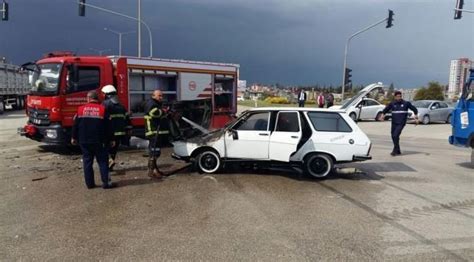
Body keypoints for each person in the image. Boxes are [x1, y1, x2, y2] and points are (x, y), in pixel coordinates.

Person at [71, 91, 116, 189]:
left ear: (88, 98)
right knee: (103, 162)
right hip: (99, 141)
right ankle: (106, 183)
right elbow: (109, 126)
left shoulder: (80, 109)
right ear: (97, 98)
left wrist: (73, 137)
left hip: (84, 141)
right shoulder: (103, 109)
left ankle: (90, 184)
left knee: (87, 162)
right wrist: (112, 139)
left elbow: (75, 125)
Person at [379, 91, 419, 156]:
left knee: (395, 135)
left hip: (401, 123)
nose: (399, 98)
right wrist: (382, 115)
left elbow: (414, 109)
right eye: (398, 96)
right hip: (394, 122)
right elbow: (386, 109)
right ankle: (398, 150)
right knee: (393, 136)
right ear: (395, 97)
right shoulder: (392, 103)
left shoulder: (406, 103)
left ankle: (394, 150)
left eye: (400, 96)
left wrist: (416, 115)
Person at [101, 85, 131, 171]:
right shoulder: (120, 106)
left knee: (105, 149)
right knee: (114, 150)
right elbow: (127, 119)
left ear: (106, 94)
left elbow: (102, 118)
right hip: (120, 133)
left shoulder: (105, 104)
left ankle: (108, 164)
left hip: (109, 133)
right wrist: (129, 129)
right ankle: (111, 164)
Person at [144, 89, 170, 179]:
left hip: (156, 132)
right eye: (159, 95)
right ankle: (151, 171)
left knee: (155, 152)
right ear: (153, 95)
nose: (161, 97)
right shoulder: (151, 103)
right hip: (153, 131)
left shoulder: (155, 103)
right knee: (154, 152)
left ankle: (155, 170)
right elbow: (154, 113)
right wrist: (163, 111)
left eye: (162, 96)